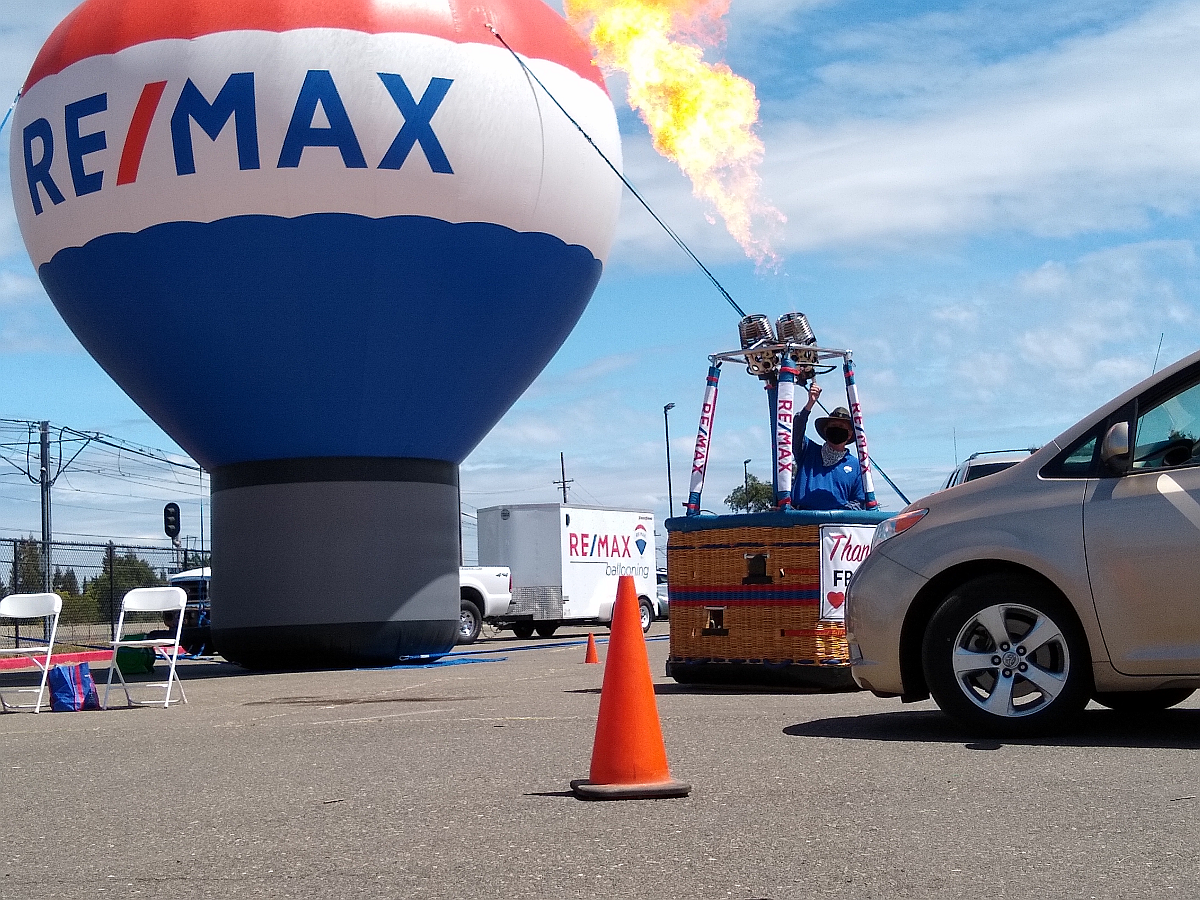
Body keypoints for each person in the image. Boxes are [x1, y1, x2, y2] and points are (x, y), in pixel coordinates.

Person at [790, 381, 865, 511]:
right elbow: (794, 432)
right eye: (833, 426)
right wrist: (809, 404)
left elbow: (859, 501)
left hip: (835, 524)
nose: (837, 429)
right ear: (825, 430)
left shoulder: (856, 465)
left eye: (841, 427)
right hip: (801, 518)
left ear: (849, 434)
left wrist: (839, 515)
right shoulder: (807, 450)